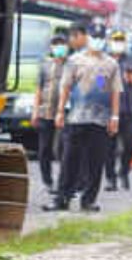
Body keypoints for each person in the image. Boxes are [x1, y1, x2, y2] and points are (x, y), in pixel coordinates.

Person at [44, 23, 121, 212]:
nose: (97, 41)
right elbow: (65, 87)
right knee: (69, 160)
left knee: (95, 162)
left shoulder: (111, 64)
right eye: (94, 37)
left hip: (100, 120)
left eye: (101, 37)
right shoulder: (74, 61)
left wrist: (115, 117)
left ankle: (88, 201)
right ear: (88, 37)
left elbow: (115, 92)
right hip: (76, 118)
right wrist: (60, 111)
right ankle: (62, 198)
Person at [32, 32, 69, 193]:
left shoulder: (71, 65)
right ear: (51, 47)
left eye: (61, 44)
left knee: (63, 149)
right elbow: (38, 89)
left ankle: (64, 182)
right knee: (44, 149)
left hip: (66, 113)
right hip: (45, 112)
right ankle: (47, 181)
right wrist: (35, 111)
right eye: (56, 44)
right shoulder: (44, 65)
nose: (59, 47)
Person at [105, 29, 132, 191]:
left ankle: (124, 172)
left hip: (128, 109)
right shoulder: (104, 60)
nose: (118, 43)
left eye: (121, 40)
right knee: (109, 147)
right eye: (115, 40)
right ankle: (110, 178)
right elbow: (98, 81)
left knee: (129, 144)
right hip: (110, 109)